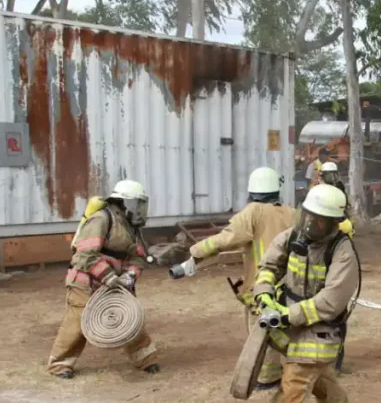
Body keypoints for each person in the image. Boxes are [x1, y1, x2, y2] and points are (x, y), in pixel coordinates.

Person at [252, 184, 359, 403]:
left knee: (297, 375)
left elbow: (330, 301)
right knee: (318, 372)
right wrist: (264, 295)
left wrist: (287, 315)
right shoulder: (291, 237)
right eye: (308, 215)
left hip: (320, 328)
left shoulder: (342, 251)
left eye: (319, 219)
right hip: (290, 323)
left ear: (333, 223)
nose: (310, 223)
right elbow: (268, 267)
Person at [173, 167, 295, 390]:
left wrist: (196, 251)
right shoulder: (291, 212)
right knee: (286, 327)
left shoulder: (253, 212)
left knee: (262, 330)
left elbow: (226, 239)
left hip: (262, 283)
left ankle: (268, 378)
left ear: (253, 191)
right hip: (290, 283)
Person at [47, 180, 159, 379]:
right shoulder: (101, 219)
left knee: (130, 318)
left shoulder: (130, 225)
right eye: (136, 204)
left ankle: (145, 359)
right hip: (85, 283)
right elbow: (84, 255)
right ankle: (59, 365)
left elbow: (138, 255)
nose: (140, 210)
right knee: (77, 323)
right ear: (123, 203)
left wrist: (130, 275)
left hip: (115, 283)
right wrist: (108, 277)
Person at [318, 161, 354, 238]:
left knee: (347, 227)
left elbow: (345, 202)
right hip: (323, 215)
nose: (332, 177)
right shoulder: (319, 187)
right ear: (322, 175)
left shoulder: (339, 186)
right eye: (328, 175)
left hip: (337, 214)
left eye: (333, 174)